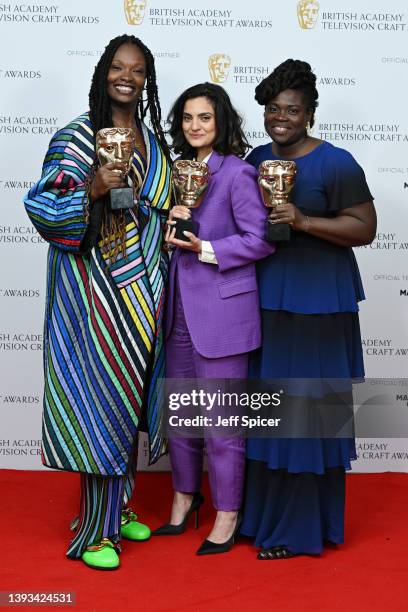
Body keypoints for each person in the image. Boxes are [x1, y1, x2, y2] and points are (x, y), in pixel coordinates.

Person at [23, 34, 171, 570]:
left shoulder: (153, 143)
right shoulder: (75, 137)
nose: (126, 77)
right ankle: (95, 532)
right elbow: (43, 204)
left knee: (127, 406)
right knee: (98, 406)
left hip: (142, 290)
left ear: (146, 78)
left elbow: (161, 207)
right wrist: (92, 187)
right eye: (117, 67)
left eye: (136, 69)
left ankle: (121, 505)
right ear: (103, 72)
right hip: (91, 293)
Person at [240, 59, 377, 559]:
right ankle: (258, 520)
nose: (281, 118)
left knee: (307, 416)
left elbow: (364, 228)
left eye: (292, 110)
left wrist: (303, 220)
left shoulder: (336, 163)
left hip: (319, 307)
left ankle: (296, 532)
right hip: (268, 302)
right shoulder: (255, 158)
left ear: (310, 112)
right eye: (273, 109)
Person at [153, 83, 274, 554]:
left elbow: (259, 239)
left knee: (222, 423)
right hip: (178, 312)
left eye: (204, 117)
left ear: (221, 121)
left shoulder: (239, 173)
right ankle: (184, 498)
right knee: (182, 419)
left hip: (222, 315)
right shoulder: (174, 174)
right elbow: (171, 243)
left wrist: (202, 247)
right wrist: (171, 231)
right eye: (187, 118)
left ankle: (227, 513)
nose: (195, 126)